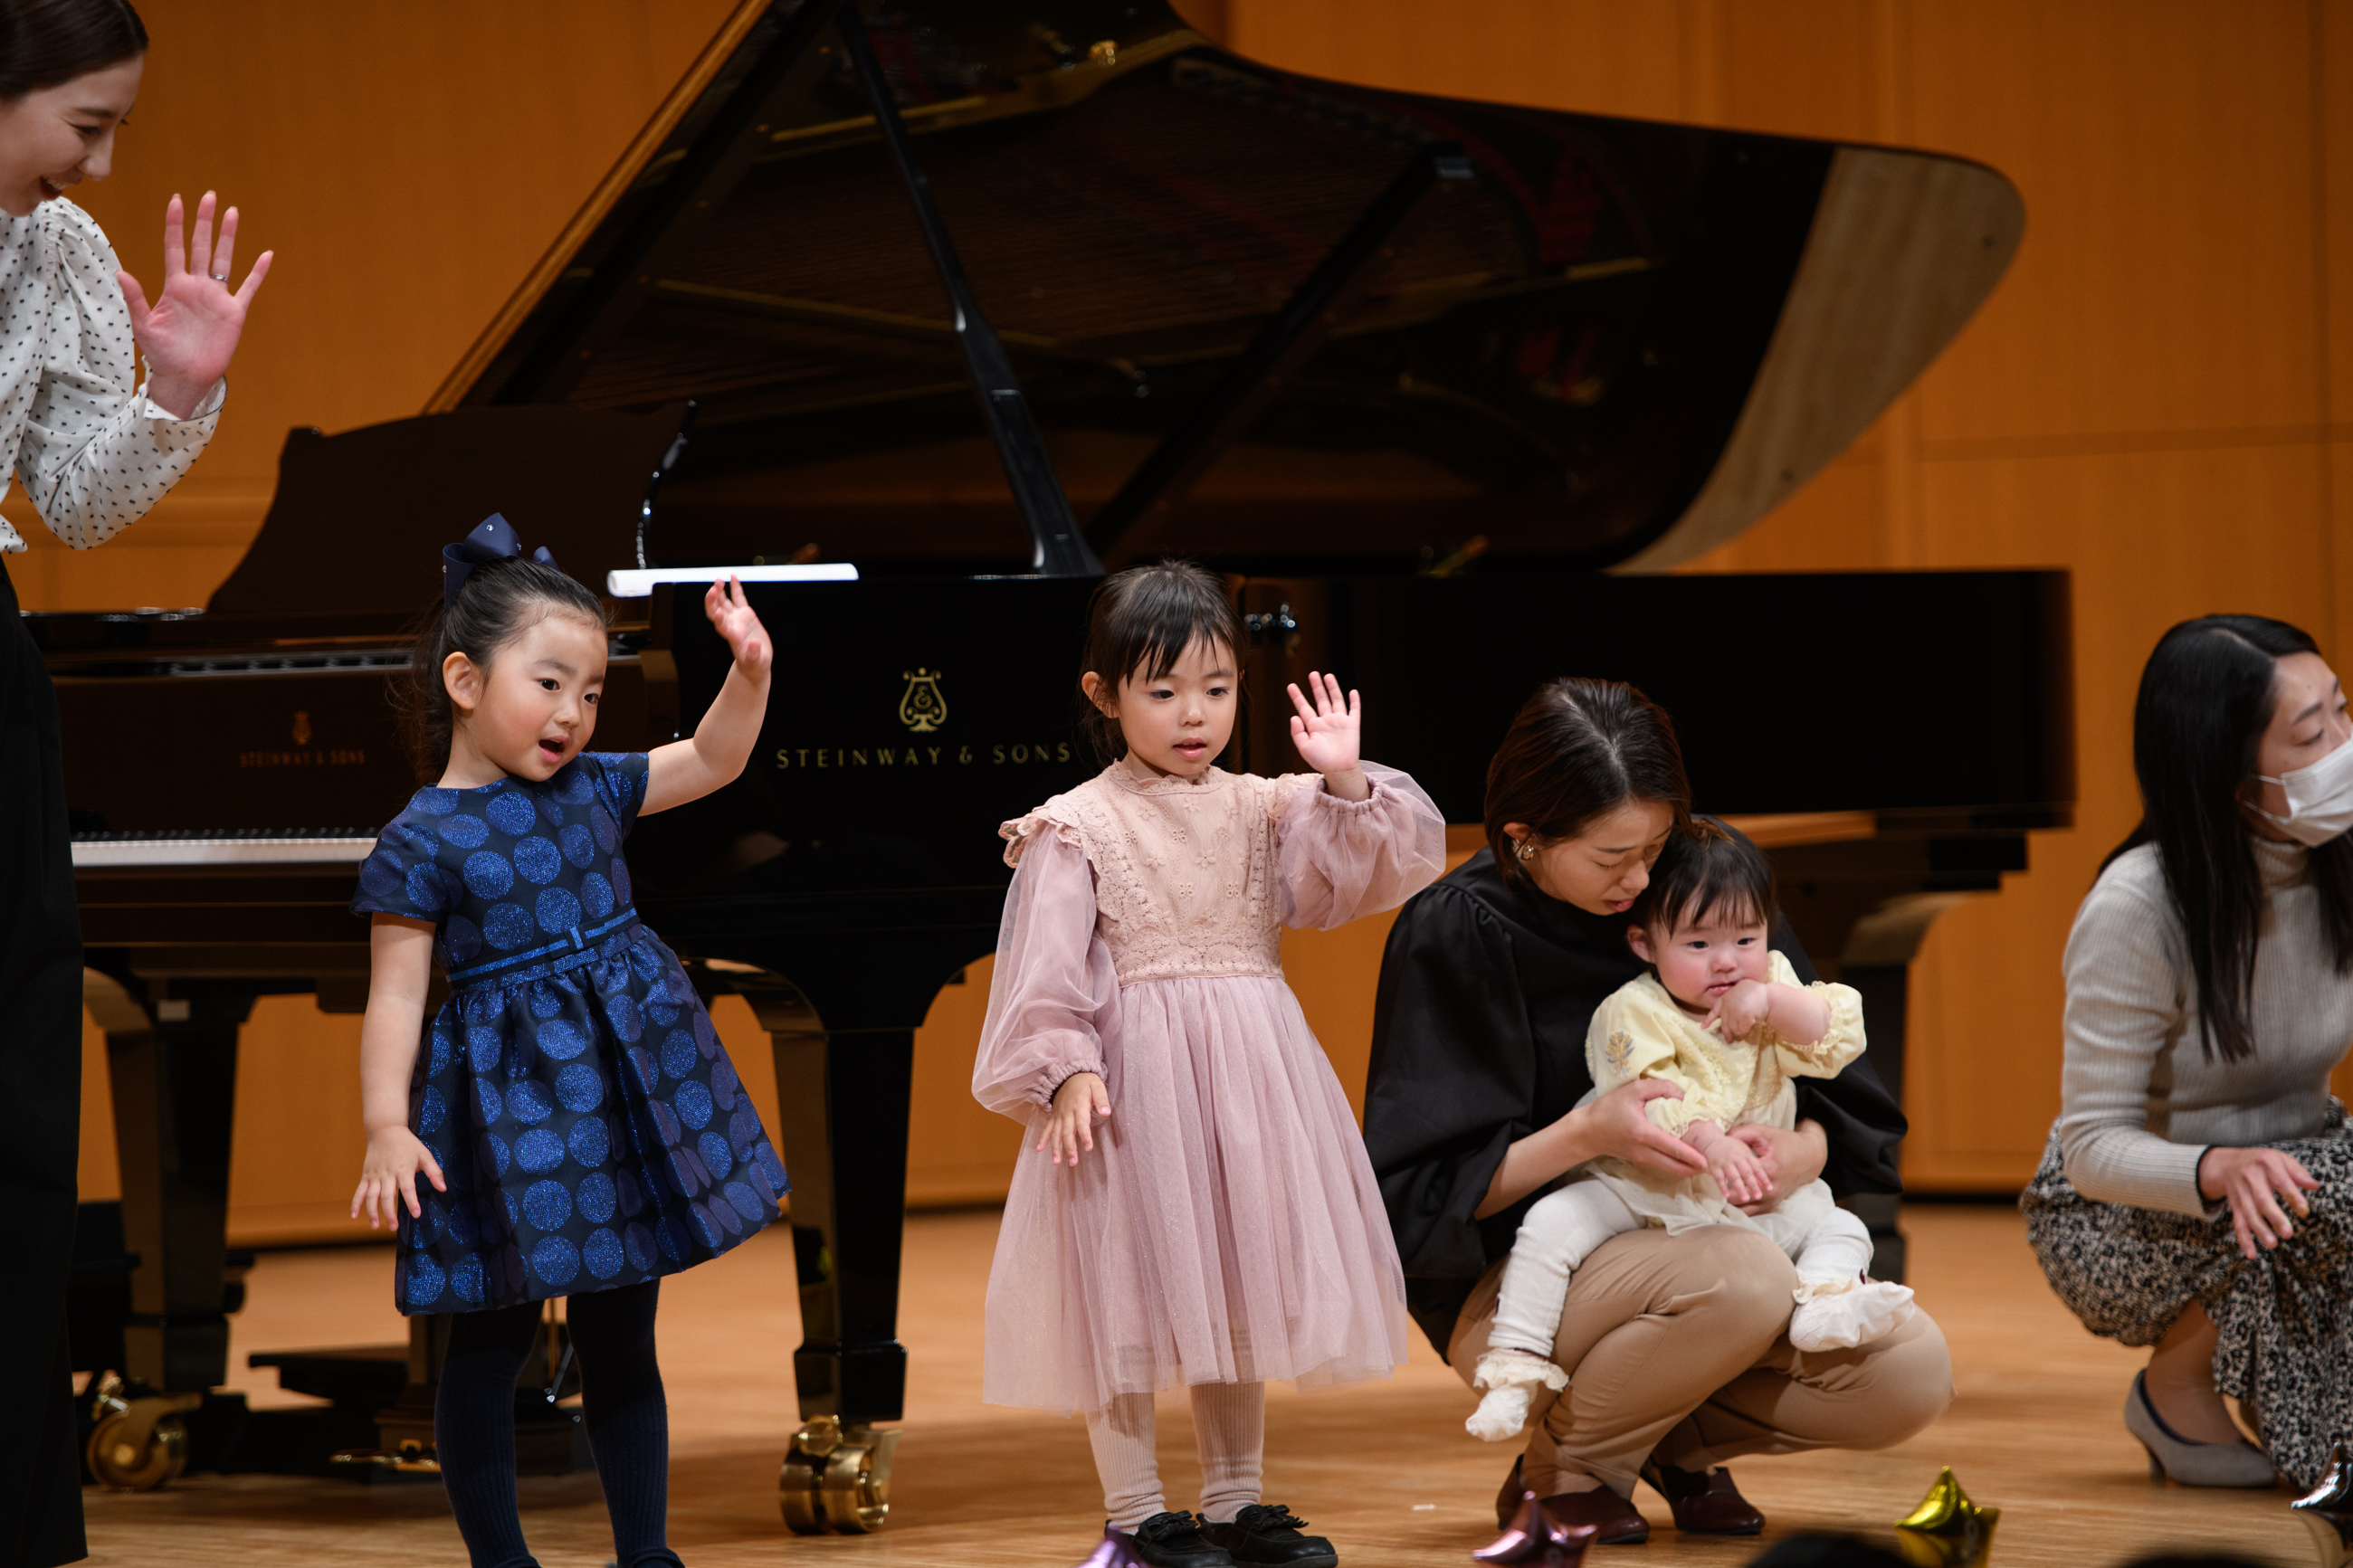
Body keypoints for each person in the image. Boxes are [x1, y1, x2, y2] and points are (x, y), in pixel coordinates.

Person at [1364, 678, 1952, 1545]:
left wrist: (1796, 1154)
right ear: (1525, 838)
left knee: (1909, 1369)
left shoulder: (1707, 884)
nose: (1643, 881)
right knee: (1742, 1277)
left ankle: (1651, 1438)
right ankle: (1567, 1468)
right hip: (1536, 1275)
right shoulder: (1456, 928)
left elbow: (1833, 1096)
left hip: (1722, 1234)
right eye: (1612, 859)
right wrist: (1588, 1133)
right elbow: (1418, 1201)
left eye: (1657, 843)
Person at [971, 560, 1445, 1568]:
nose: (1195, 714)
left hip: (1247, 1078)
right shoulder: (1075, 824)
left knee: (1236, 1272)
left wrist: (1347, 780)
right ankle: (1136, 1509)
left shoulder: (1266, 806)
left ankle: (1235, 1498)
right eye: (1163, 689)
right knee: (1124, 1286)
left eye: (1216, 688)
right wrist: (1064, 1069)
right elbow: (1043, 974)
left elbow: (1365, 872)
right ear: (1103, 695)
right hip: (1131, 1085)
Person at [348, 521, 787, 1568]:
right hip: (509, 1114)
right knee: (490, 1338)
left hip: (623, 1092)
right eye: (549, 683)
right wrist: (383, 1125)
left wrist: (750, 669)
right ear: (463, 677)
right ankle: (501, 1559)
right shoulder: (420, 838)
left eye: (589, 693)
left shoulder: (594, 788)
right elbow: (395, 999)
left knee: (621, 1335)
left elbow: (717, 757)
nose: (572, 714)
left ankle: (645, 1554)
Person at [0, 2, 271, 1560]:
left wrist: (176, 389)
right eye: (85, 125)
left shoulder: (51, 254)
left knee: (15, 1110)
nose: (99, 161)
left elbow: (78, 505)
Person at [2022, 613, 2353, 1489]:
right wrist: (2218, 1165)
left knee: (2316, 1188)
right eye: (2310, 732)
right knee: (2318, 1192)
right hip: (2122, 1212)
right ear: (2226, 771)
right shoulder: (2136, 906)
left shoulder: (2337, 860)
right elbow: (2090, 1144)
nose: (2340, 747)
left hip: (2299, 1176)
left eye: (2341, 713)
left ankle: (2279, 1419)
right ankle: (2180, 1380)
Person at [1463, 822, 1915, 1443]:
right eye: (1699, 942)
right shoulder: (1635, 1010)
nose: (1727, 960)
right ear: (1646, 944)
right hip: (1640, 1184)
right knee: (1551, 1223)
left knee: (1843, 1225)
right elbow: (1648, 1098)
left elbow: (1836, 1032)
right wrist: (1711, 1140)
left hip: (1744, 1193)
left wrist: (1774, 1004)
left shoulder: (1770, 982)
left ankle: (1826, 1304)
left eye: (1746, 938)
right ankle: (1516, 1368)